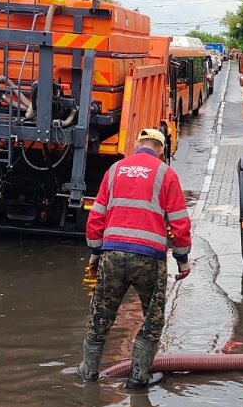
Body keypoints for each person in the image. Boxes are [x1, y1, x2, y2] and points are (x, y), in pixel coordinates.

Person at [78, 127, 192, 391]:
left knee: (100, 314)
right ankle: (138, 378)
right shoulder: (166, 173)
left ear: (138, 144)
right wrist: (182, 259)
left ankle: (88, 372)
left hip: (112, 254)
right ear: (161, 149)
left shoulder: (114, 170)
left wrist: (95, 254)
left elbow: (96, 217)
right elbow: (179, 221)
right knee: (152, 318)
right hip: (149, 258)